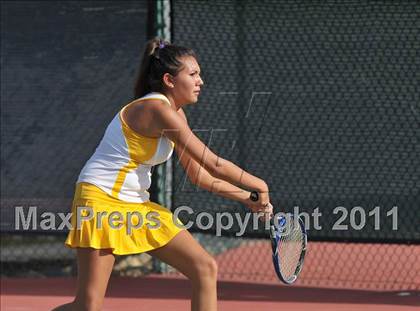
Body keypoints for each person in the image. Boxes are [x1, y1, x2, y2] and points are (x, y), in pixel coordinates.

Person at [52, 37, 272, 311]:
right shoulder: (156, 109)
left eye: (199, 74)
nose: (200, 81)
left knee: (204, 267)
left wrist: (246, 197)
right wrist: (259, 184)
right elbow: (212, 163)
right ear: (169, 80)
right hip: (99, 201)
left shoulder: (176, 115)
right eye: (193, 74)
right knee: (88, 306)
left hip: (135, 204)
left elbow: (199, 175)